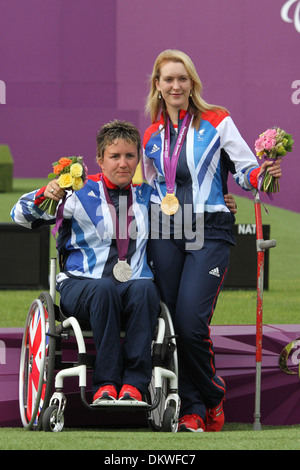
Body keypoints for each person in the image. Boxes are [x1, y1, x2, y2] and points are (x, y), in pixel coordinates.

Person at [142, 49, 282, 432]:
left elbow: (244, 167)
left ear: (192, 84)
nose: (175, 85)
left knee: (190, 322)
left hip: (210, 226)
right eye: (168, 79)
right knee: (170, 322)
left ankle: (213, 393)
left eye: (182, 78)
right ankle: (192, 409)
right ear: (157, 85)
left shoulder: (217, 120)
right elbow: (147, 187)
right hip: (165, 230)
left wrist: (262, 176)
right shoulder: (152, 134)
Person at [11, 120, 160, 404]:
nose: (123, 164)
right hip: (81, 287)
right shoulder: (76, 193)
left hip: (132, 288)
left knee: (146, 289)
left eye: (130, 156)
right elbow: (18, 215)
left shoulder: (148, 196)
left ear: (138, 159)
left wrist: (224, 205)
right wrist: (46, 193)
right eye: (115, 156)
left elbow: (192, 217)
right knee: (103, 289)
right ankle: (105, 384)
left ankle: (134, 385)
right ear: (100, 160)